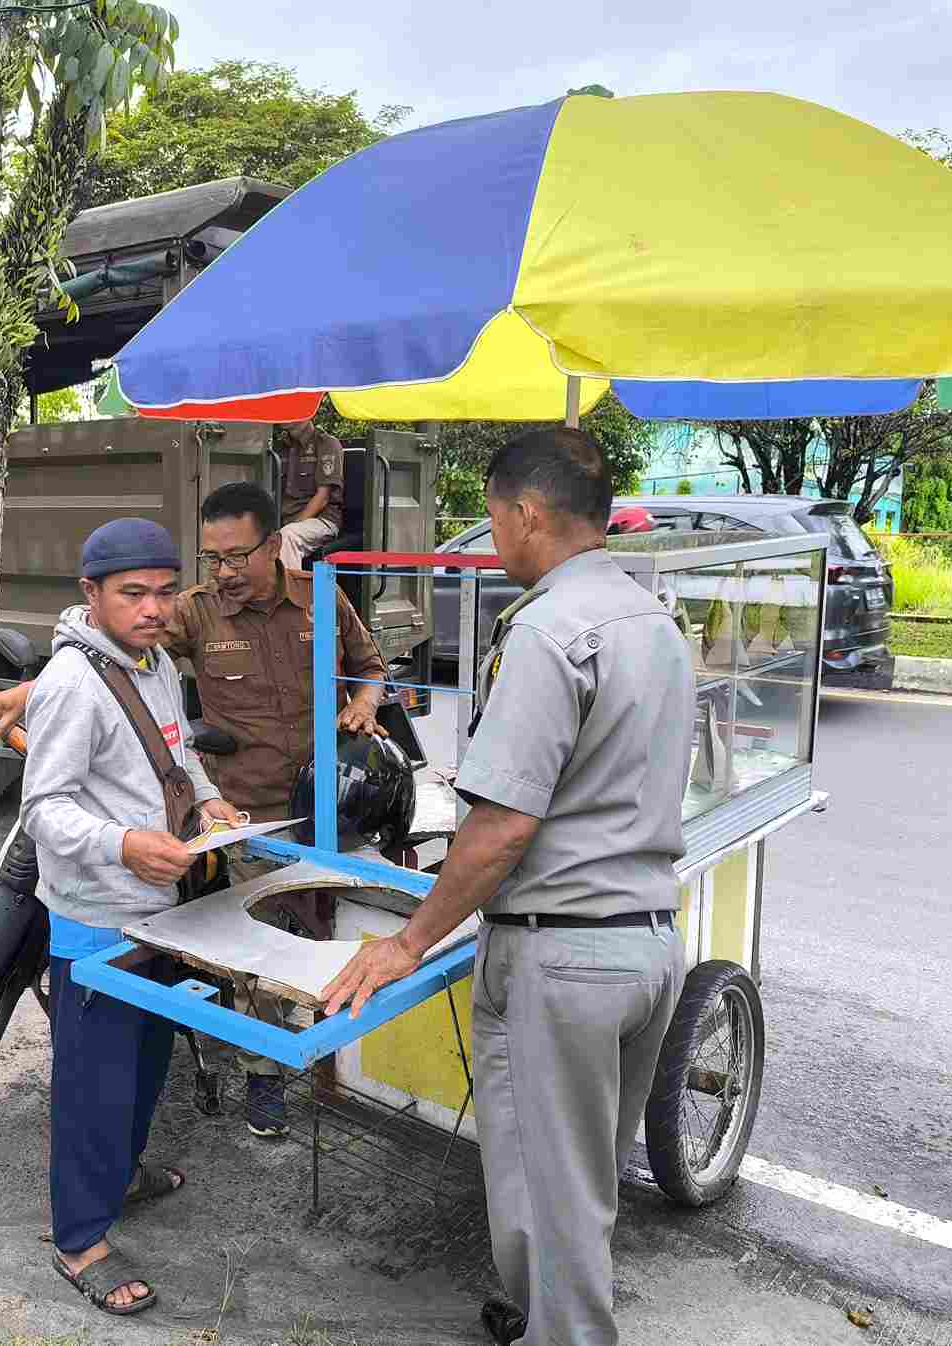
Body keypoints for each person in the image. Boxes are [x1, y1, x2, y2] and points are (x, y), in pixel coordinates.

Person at [320, 427, 694, 1346]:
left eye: (490, 517)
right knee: (579, 1183)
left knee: (552, 1193)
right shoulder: (654, 619)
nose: (488, 537)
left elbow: (501, 825)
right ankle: (535, 1315)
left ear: (527, 514)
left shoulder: (546, 631)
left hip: (558, 955)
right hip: (643, 943)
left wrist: (407, 939)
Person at [0, 482, 387, 1139]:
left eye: (237, 556)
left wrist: (365, 703)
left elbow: (370, 666)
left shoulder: (321, 598)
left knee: (335, 934)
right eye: (212, 559)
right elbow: (114, 654)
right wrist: (31, 690)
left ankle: (339, 1066)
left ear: (274, 546)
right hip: (242, 809)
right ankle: (261, 1075)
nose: (224, 572)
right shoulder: (194, 612)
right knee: (259, 951)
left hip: (330, 804)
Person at [23, 518, 243, 1318]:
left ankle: (122, 1173)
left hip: (161, 909)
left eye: (162, 592)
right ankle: (78, 1239)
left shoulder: (151, 665)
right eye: (132, 595)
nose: (153, 609)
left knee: (149, 1063)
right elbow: (42, 808)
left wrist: (210, 797)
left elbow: (173, 752)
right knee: (94, 1085)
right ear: (91, 594)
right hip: (97, 919)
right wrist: (120, 844)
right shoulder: (70, 684)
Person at [274, 418, 345, 569]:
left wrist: (293, 525)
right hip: (285, 520)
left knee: (288, 536)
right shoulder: (278, 447)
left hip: (321, 520)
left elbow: (322, 498)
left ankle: (290, 592)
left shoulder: (326, 444)